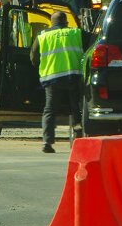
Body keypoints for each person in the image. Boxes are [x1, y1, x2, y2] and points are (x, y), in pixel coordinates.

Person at [30, 10, 83, 153]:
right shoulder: (76, 33)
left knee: (49, 110)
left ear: (51, 23)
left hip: (52, 79)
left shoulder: (42, 36)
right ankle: (78, 139)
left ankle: (47, 142)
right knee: (76, 108)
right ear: (66, 22)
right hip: (73, 76)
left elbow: (33, 58)